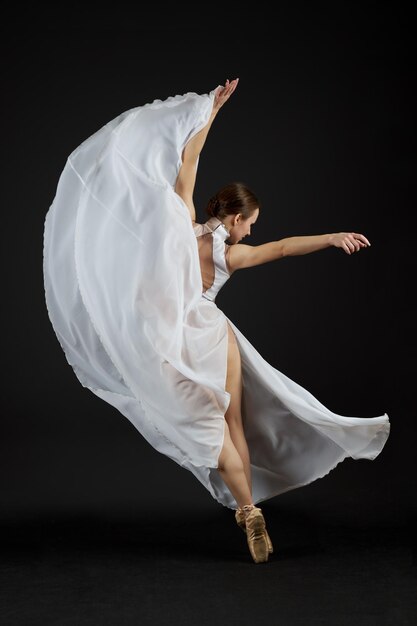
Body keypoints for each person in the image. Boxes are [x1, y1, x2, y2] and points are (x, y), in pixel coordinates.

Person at [43, 79, 390, 565]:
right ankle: (248, 510)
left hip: (170, 339)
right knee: (233, 424)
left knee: (212, 429)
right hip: (211, 334)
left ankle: (247, 510)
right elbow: (286, 247)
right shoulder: (232, 256)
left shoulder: (183, 222)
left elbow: (189, 160)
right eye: (250, 222)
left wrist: (209, 110)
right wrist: (332, 237)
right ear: (235, 218)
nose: (252, 230)